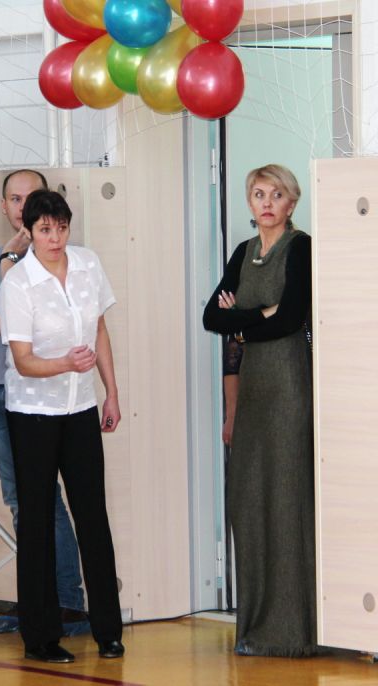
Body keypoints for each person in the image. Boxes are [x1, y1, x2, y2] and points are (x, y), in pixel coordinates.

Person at [0, 190, 125, 664]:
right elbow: (23, 362)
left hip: (80, 408)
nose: (55, 238)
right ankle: (40, 636)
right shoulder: (18, 282)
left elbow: (100, 331)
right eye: (45, 229)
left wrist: (110, 392)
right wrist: (66, 364)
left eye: (61, 228)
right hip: (32, 413)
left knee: (93, 515)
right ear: (29, 231)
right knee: (37, 521)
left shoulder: (88, 264)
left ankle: (107, 629)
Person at [0, 170, 89, 634]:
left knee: (49, 500)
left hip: (49, 397)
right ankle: (37, 600)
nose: (22, 206)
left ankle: (68, 603)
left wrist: (14, 310)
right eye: (14, 199)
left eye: (31, 197)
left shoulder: (65, 260)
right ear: (4, 207)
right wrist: (14, 310)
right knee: (21, 502)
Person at [203, 164, 315, 657]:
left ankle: (292, 633)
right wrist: (255, 318)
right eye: (258, 194)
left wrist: (241, 322)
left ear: (292, 203)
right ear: (250, 203)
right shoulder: (242, 253)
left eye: (276, 195)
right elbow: (212, 318)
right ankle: (254, 625)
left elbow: (290, 318)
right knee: (248, 502)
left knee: (287, 500)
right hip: (251, 394)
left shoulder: (301, 247)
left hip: (288, 387)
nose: (266, 203)